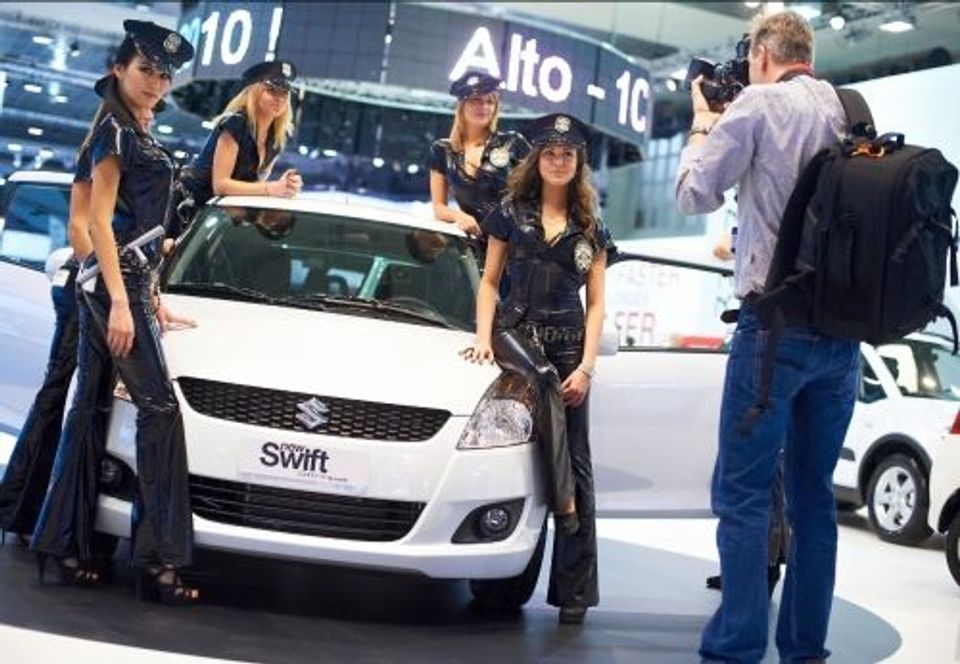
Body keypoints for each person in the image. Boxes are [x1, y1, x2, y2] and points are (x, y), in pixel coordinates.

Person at [675, 11, 858, 662]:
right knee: (814, 501)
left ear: (759, 55)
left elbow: (695, 194)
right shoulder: (847, 110)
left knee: (745, 497)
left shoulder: (757, 105)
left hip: (773, 333)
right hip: (842, 340)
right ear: (807, 54)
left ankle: (736, 648)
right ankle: (805, 651)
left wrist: (703, 124)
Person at [31, 20, 200, 605]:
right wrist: (124, 302)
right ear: (118, 69)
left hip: (119, 283)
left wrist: (149, 295)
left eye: (164, 74)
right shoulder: (115, 131)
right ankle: (158, 562)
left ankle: (63, 546)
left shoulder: (132, 130)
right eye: (145, 69)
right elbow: (99, 223)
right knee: (160, 408)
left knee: (91, 408)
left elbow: (133, 226)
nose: (155, 81)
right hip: (112, 286)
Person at [462, 113, 613, 625]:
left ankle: (575, 593)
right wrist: (482, 339)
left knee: (580, 460)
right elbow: (489, 282)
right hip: (515, 336)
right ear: (538, 159)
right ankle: (560, 508)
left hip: (569, 347)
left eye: (567, 154)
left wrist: (587, 367)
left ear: (578, 162)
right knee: (545, 387)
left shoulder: (592, 228)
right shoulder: (509, 212)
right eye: (550, 152)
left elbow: (596, 305)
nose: (558, 160)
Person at [0, 87, 165, 549]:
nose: (151, 117)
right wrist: (104, 282)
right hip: (88, 287)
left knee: (82, 402)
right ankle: (23, 511)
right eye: (147, 110)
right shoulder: (101, 145)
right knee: (63, 395)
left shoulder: (129, 151)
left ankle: (44, 518)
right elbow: (81, 225)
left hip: (105, 284)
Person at [171, 59, 302, 236]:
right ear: (254, 92)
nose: (279, 99)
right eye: (271, 91)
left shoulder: (277, 137)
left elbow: (254, 186)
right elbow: (220, 185)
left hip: (218, 219)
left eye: (284, 93)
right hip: (189, 214)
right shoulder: (236, 124)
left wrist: (285, 186)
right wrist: (272, 188)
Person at [428, 71, 530, 272]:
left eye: (489, 101)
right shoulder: (442, 150)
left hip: (516, 250)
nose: (483, 107)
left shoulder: (512, 143)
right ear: (462, 105)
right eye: (476, 100)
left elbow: (540, 193)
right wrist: (459, 216)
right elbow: (439, 207)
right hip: (474, 251)